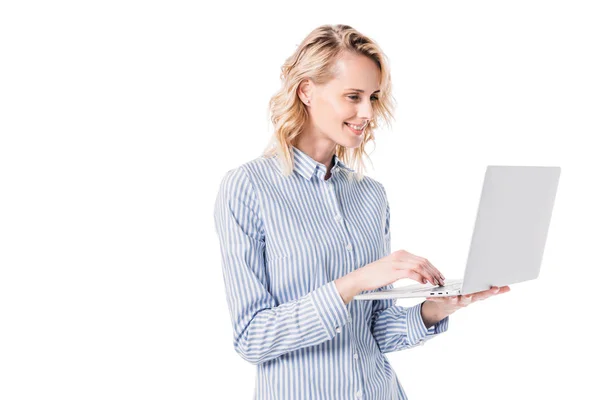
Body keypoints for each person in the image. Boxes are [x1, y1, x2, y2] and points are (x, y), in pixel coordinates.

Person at [213, 24, 510, 400]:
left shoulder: (370, 196)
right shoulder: (248, 187)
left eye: (373, 97)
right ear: (306, 91)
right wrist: (353, 282)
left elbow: (374, 331)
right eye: (352, 96)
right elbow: (252, 338)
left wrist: (434, 309)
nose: (367, 111)